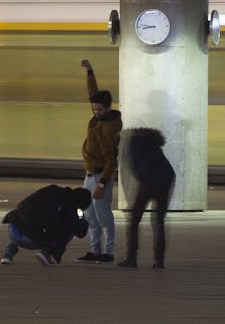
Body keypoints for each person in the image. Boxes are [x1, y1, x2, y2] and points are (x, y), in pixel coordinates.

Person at [75, 60, 122, 263]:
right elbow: (92, 94)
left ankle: (108, 253)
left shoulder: (109, 128)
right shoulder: (98, 117)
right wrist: (90, 72)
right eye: (94, 109)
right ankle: (94, 251)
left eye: (100, 110)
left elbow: (112, 159)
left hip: (100, 176)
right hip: (89, 175)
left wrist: (102, 183)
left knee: (103, 217)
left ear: (108, 108)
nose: (95, 112)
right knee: (91, 216)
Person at [118, 127, 176, 269]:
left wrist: (130, 202)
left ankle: (131, 258)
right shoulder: (151, 142)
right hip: (167, 177)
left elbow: (131, 170)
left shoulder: (128, 143)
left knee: (134, 219)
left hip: (149, 180)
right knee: (158, 220)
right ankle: (159, 260)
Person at [0, 184, 91, 266]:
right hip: (31, 241)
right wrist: (84, 220)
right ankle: (46, 252)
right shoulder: (69, 209)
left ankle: (7, 255)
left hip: (12, 229)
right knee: (69, 230)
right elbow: (80, 232)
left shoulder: (52, 189)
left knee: (23, 222)